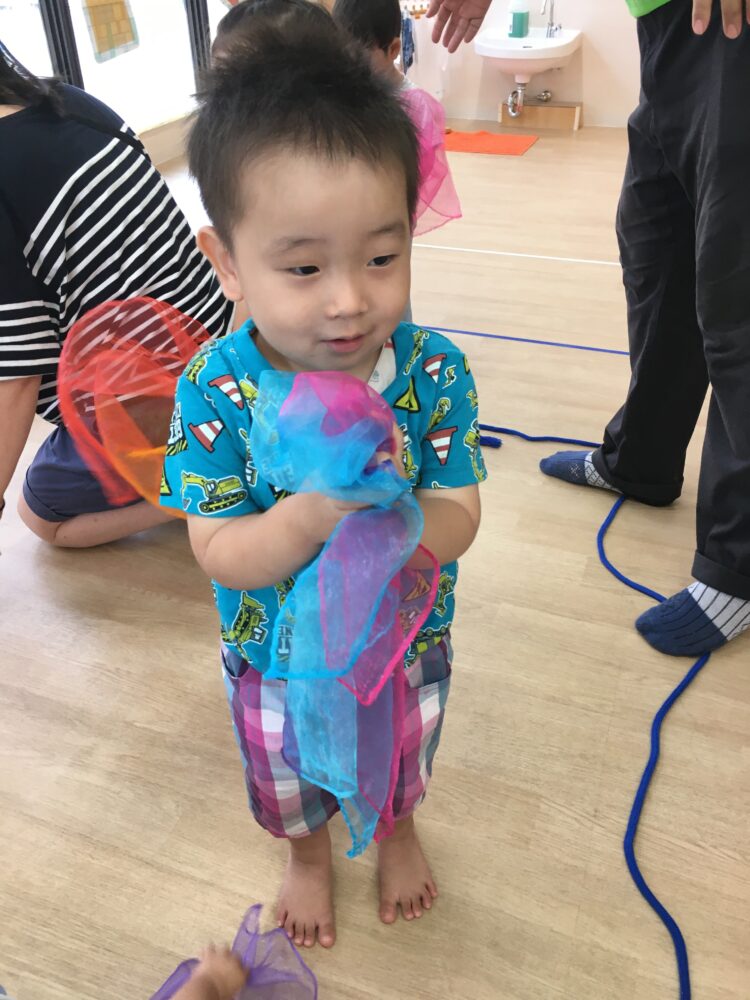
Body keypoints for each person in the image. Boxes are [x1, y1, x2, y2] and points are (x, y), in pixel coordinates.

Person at [161, 8, 485, 950]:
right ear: (228, 262)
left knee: (406, 747)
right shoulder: (215, 388)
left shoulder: (431, 371)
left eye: (382, 257)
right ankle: (306, 855)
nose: (349, 299)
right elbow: (221, 549)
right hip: (272, 651)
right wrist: (310, 516)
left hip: (405, 639)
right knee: (286, 771)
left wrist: (394, 520)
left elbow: (460, 513)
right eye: (303, 267)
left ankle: (397, 827)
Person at [539, 0, 750, 656]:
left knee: (736, 294)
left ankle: (736, 565)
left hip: (733, 26)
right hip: (661, 23)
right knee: (657, 251)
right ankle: (641, 461)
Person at [0, 41, 233, 547]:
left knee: (39, 514)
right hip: (223, 331)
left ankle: (204, 488)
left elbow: (17, 381)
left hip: (167, 390)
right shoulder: (67, 100)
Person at [332, 0, 461, 240]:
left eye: (360, 58)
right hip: (349, 213)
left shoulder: (416, 106)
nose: (351, 67)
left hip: (390, 214)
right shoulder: (345, 93)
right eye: (344, 56)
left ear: (392, 50)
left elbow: (421, 174)